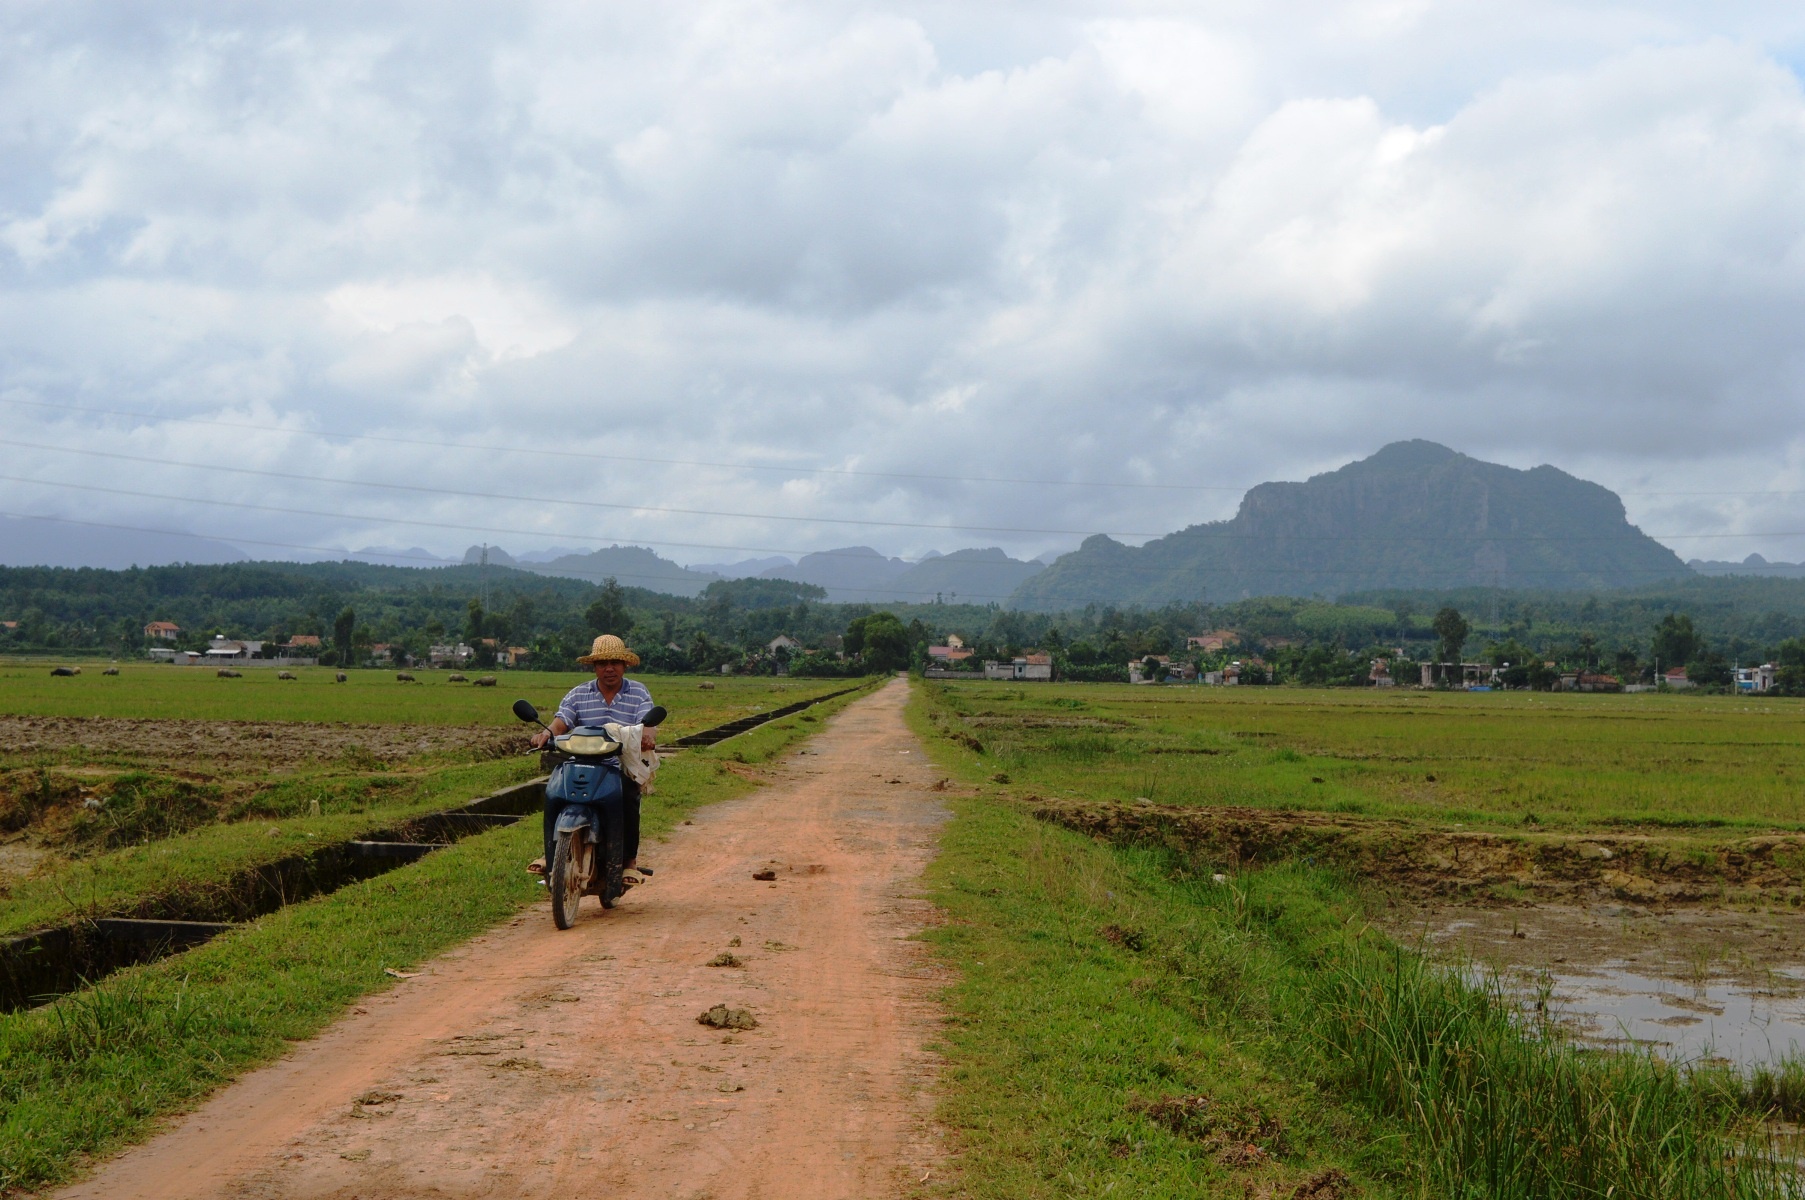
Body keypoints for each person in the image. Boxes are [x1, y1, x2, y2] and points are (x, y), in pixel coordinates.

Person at [529, 634, 657, 877]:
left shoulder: (638, 693)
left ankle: (629, 863)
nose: (609, 668)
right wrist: (546, 734)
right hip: (581, 763)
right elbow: (561, 721)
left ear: (624, 665)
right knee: (554, 793)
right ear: (594, 667)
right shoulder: (579, 694)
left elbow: (647, 722)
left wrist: (648, 736)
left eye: (615, 662)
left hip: (618, 766)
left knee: (629, 797)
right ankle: (550, 853)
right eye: (602, 663)